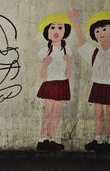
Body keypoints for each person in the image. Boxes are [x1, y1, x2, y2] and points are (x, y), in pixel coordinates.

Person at [68, 7, 110, 153]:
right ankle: (98, 139)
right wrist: (75, 22)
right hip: (98, 85)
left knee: (109, 114)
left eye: (104, 29)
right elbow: (82, 42)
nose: (101, 33)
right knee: (98, 114)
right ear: (94, 35)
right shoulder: (94, 52)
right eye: (97, 31)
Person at [36, 13, 72, 151]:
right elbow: (43, 76)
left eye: (60, 27)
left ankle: (51, 139)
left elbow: (68, 74)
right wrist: (45, 64)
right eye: (52, 27)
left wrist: (69, 63)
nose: (56, 31)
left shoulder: (67, 50)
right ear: (47, 32)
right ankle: (42, 139)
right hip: (50, 83)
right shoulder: (44, 51)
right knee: (48, 112)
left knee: (57, 113)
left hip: (62, 83)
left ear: (65, 31)